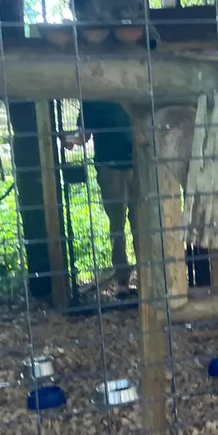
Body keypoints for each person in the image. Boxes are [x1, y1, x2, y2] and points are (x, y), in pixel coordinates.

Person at [62, 101, 138, 297]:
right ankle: (123, 282)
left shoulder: (129, 87)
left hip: (139, 165)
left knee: (142, 224)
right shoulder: (91, 99)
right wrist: (69, 139)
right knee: (117, 226)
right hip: (110, 168)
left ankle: (147, 278)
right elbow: (84, 136)